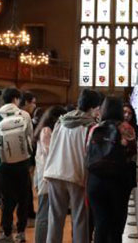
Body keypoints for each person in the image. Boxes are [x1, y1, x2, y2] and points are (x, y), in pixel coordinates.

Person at [44, 89, 99, 243]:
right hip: (76, 175)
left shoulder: (61, 121)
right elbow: (89, 153)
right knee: (80, 219)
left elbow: (52, 146)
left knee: (55, 218)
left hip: (55, 172)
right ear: (93, 107)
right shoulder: (90, 126)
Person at [87, 97, 138, 242]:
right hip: (118, 180)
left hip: (95, 180)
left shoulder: (94, 128)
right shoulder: (127, 128)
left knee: (100, 223)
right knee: (116, 225)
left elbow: (87, 152)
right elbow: (132, 153)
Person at [0, 88, 33, 243]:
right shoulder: (25, 115)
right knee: (23, 198)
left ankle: (7, 233)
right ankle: (21, 233)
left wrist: (1, 157)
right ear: (16, 99)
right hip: (22, 162)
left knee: (6, 199)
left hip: (5, 164)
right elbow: (29, 137)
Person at [34, 106, 66, 243]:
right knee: (43, 213)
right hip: (46, 177)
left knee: (49, 213)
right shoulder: (46, 130)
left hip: (48, 175)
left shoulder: (46, 129)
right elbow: (50, 153)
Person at [20, 91, 38, 224]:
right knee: (25, 187)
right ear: (26, 102)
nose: (34, 106)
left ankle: (28, 214)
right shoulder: (24, 115)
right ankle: (28, 214)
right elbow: (29, 138)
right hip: (24, 156)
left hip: (13, 156)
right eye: (33, 102)